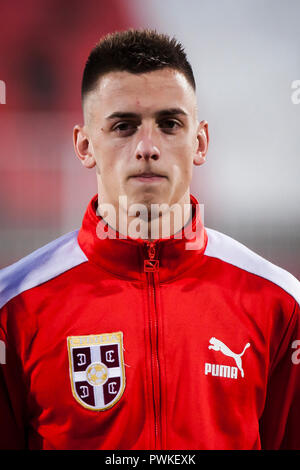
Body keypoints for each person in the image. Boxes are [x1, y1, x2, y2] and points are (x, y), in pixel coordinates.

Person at [0, 29, 299, 451]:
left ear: (200, 142)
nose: (147, 147)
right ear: (85, 146)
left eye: (169, 124)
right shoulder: (12, 308)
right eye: (123, 126)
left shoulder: (281, 304)